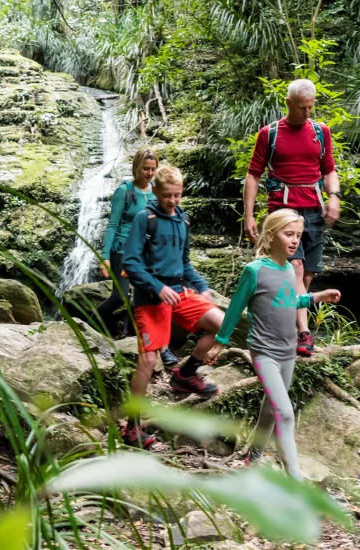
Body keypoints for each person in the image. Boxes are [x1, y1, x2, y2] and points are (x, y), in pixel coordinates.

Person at [207, 209, 341, 479]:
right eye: (288, 234)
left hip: (287, 352)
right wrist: (219, 342)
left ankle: (253, 458)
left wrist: (318, 296)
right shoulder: (254, 270)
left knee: (270, 410)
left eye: (298, 236)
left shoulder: (291, 271)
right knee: (286, 414)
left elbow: (289, 302)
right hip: (263, 352)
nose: (294, 241)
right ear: (270, 236)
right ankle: (297, 482)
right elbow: (234, 308)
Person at [120, 166, 224, 448]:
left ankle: (185, 375)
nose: (173, 200)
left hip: (180, 291)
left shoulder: (183, 221)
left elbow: (185, 262)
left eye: (178, 195)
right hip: (151, 297)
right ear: (155, 191)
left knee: (221, 324)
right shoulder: (146, 218)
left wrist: (203, 287)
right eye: (168, 195)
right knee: (149, 361)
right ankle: (132, 428)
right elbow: (130, 263)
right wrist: (157, 287)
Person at [242, 79, 341, 357]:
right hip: (283, 211)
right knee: (294, 268)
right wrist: (248, 215)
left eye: (310, 107)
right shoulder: (270, 133)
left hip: (314, 210)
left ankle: (292, 325)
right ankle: (305, 334)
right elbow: (253, 174)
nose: (307, 113)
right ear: (288, 103)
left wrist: (334, 196)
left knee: (306, 274)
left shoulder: (321, 132)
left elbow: (329, 170)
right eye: (301, 108)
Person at [96, 148, 180, 367]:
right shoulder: (124, 191)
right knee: (120, 296)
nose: (149, 173)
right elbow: (113, 224)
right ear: (136, 167)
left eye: (153, 169)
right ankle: (90, 325)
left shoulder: (156, 192)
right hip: (123, 254)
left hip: (146, 255)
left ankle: (150, 343)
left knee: (150, 298)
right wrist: (105, 256)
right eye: (145, 169)